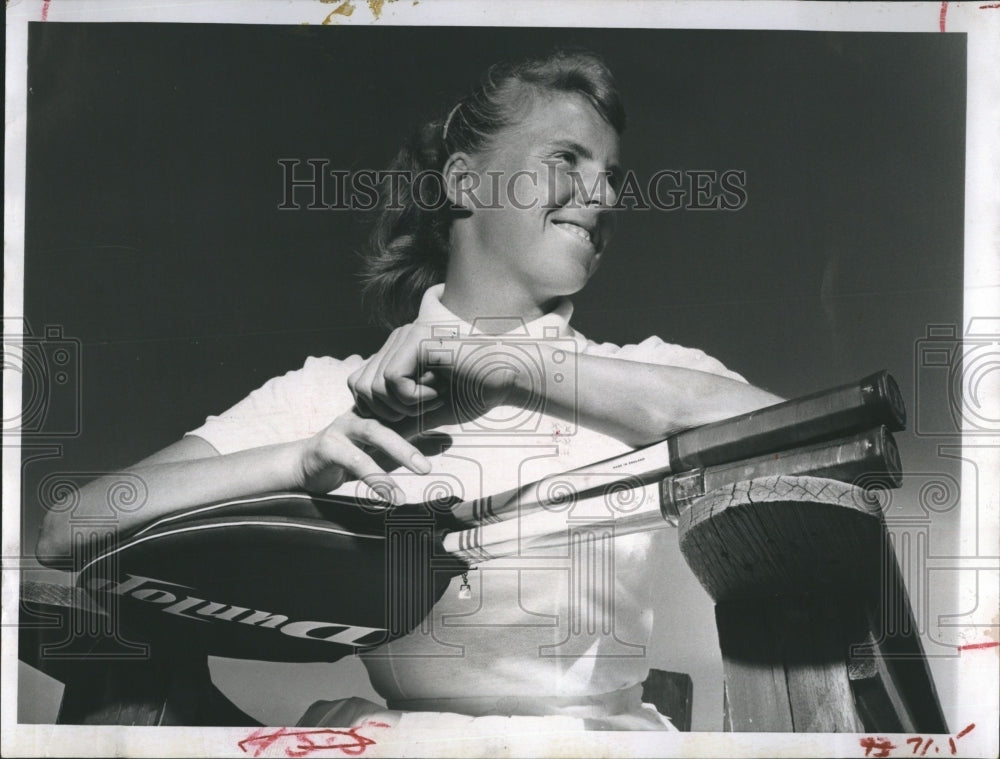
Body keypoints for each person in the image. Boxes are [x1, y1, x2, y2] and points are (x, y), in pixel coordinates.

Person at [36, 49, 782, 731]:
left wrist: (517, 371)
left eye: (612, 175)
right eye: (567, 159)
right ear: (464, 181)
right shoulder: (331, 392)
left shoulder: (650, 374)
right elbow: (71, 526)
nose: (603, 194)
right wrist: (297, 462)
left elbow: (802, 432)